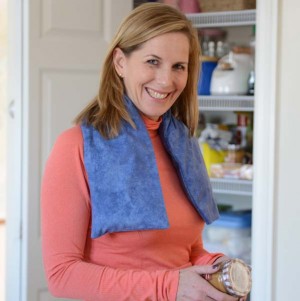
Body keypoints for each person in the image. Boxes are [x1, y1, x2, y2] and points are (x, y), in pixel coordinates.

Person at [41, 3, 247, 301]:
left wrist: (215, 267)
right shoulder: (76, 147)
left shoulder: (183, 145)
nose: (166, 80)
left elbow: (185, 252)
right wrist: (169, 287)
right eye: (152, 61)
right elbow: (62, 275)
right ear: (120, 62)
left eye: (179, 66)